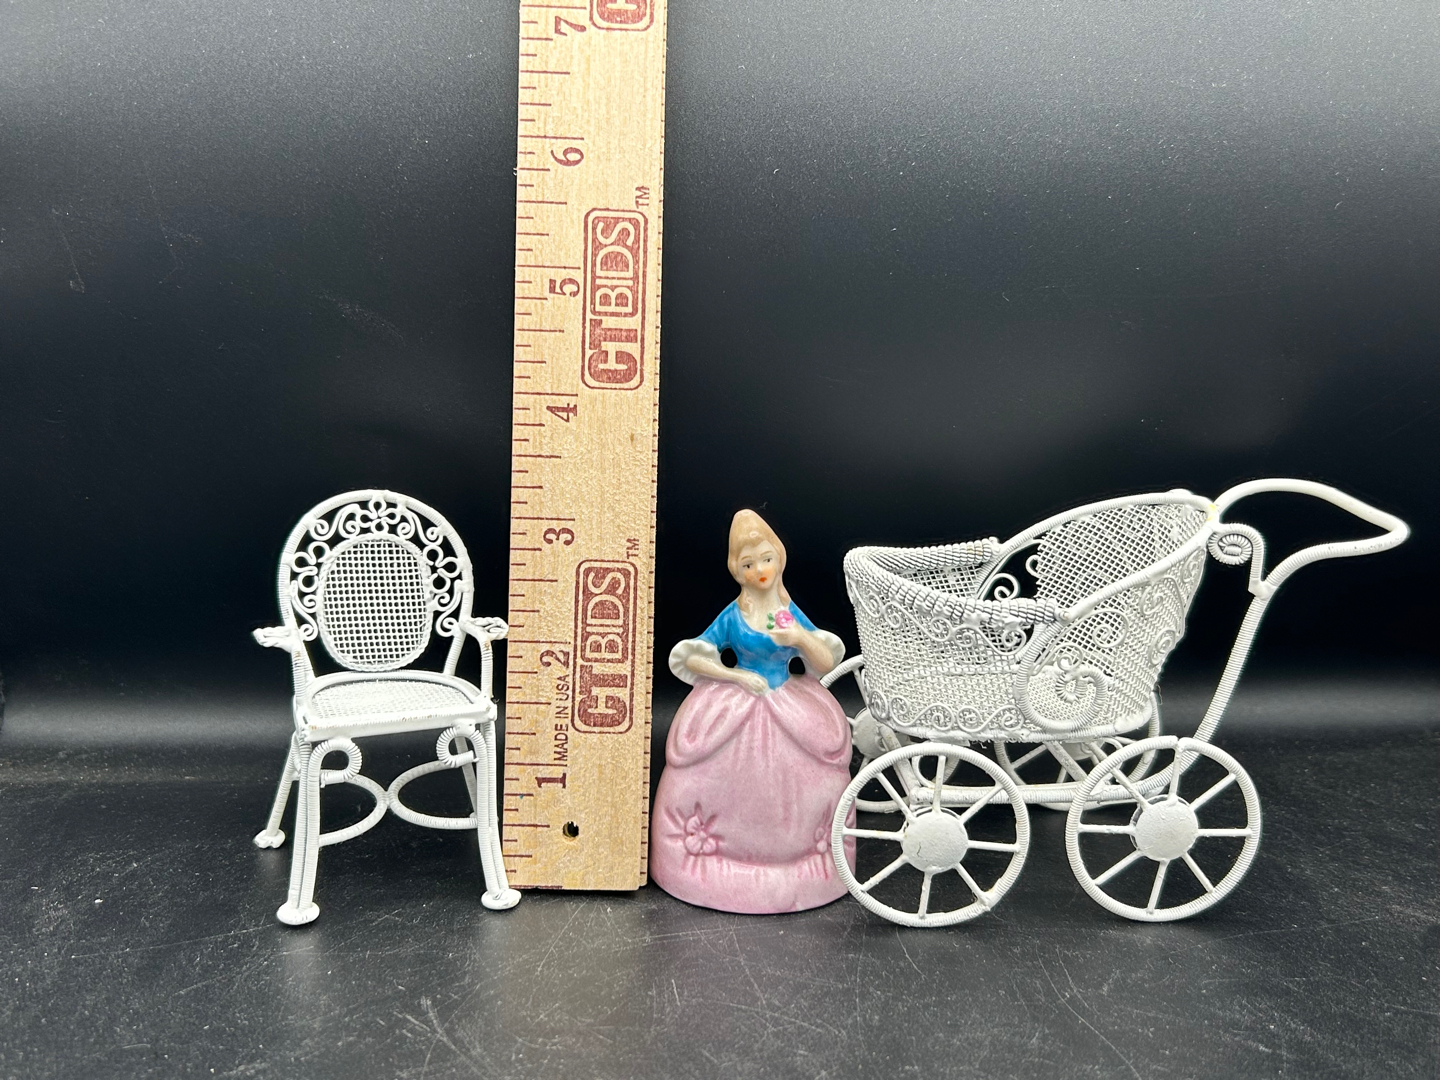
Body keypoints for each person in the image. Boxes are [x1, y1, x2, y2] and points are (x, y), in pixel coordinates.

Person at [650, 510, 855, 913]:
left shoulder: (788, 613)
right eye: (748, 564)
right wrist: (737, 676)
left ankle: (803, 855)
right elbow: (693, 657)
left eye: (765, 559)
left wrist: (799, 637)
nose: (759, 570)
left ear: (779, 559)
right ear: (737, 571)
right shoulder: (733, 616)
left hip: (789, 702)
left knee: (810, 769)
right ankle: (707, 854)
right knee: (709, 766)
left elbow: (824, 661)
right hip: (738, 703)